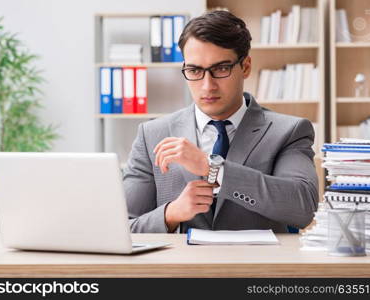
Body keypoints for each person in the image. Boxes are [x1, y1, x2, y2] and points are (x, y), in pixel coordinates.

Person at [124, 10, 318, 233]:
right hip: (179, 267)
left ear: (245, 67)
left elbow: (303, 209)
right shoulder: (152, 134)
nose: (207, 86)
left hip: (255, 266)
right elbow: (125, 227)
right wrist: (171, 214)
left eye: (221, 69)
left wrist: (211, 167)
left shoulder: (289, 131)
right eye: (195, 70)